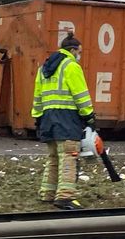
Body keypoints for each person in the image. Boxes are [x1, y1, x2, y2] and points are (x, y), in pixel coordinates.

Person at [31, 32, 95, 210]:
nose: (79, 55)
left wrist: (37, 117)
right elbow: (80, 94)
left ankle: (47, 193)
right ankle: (65, 197)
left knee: (53, 158)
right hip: (67, 119)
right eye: (79, 52)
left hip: (47, 119)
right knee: (69, 157)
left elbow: (38, 96)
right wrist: (89, 115)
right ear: (73, 50)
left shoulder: (43, 69)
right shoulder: (71, 66)